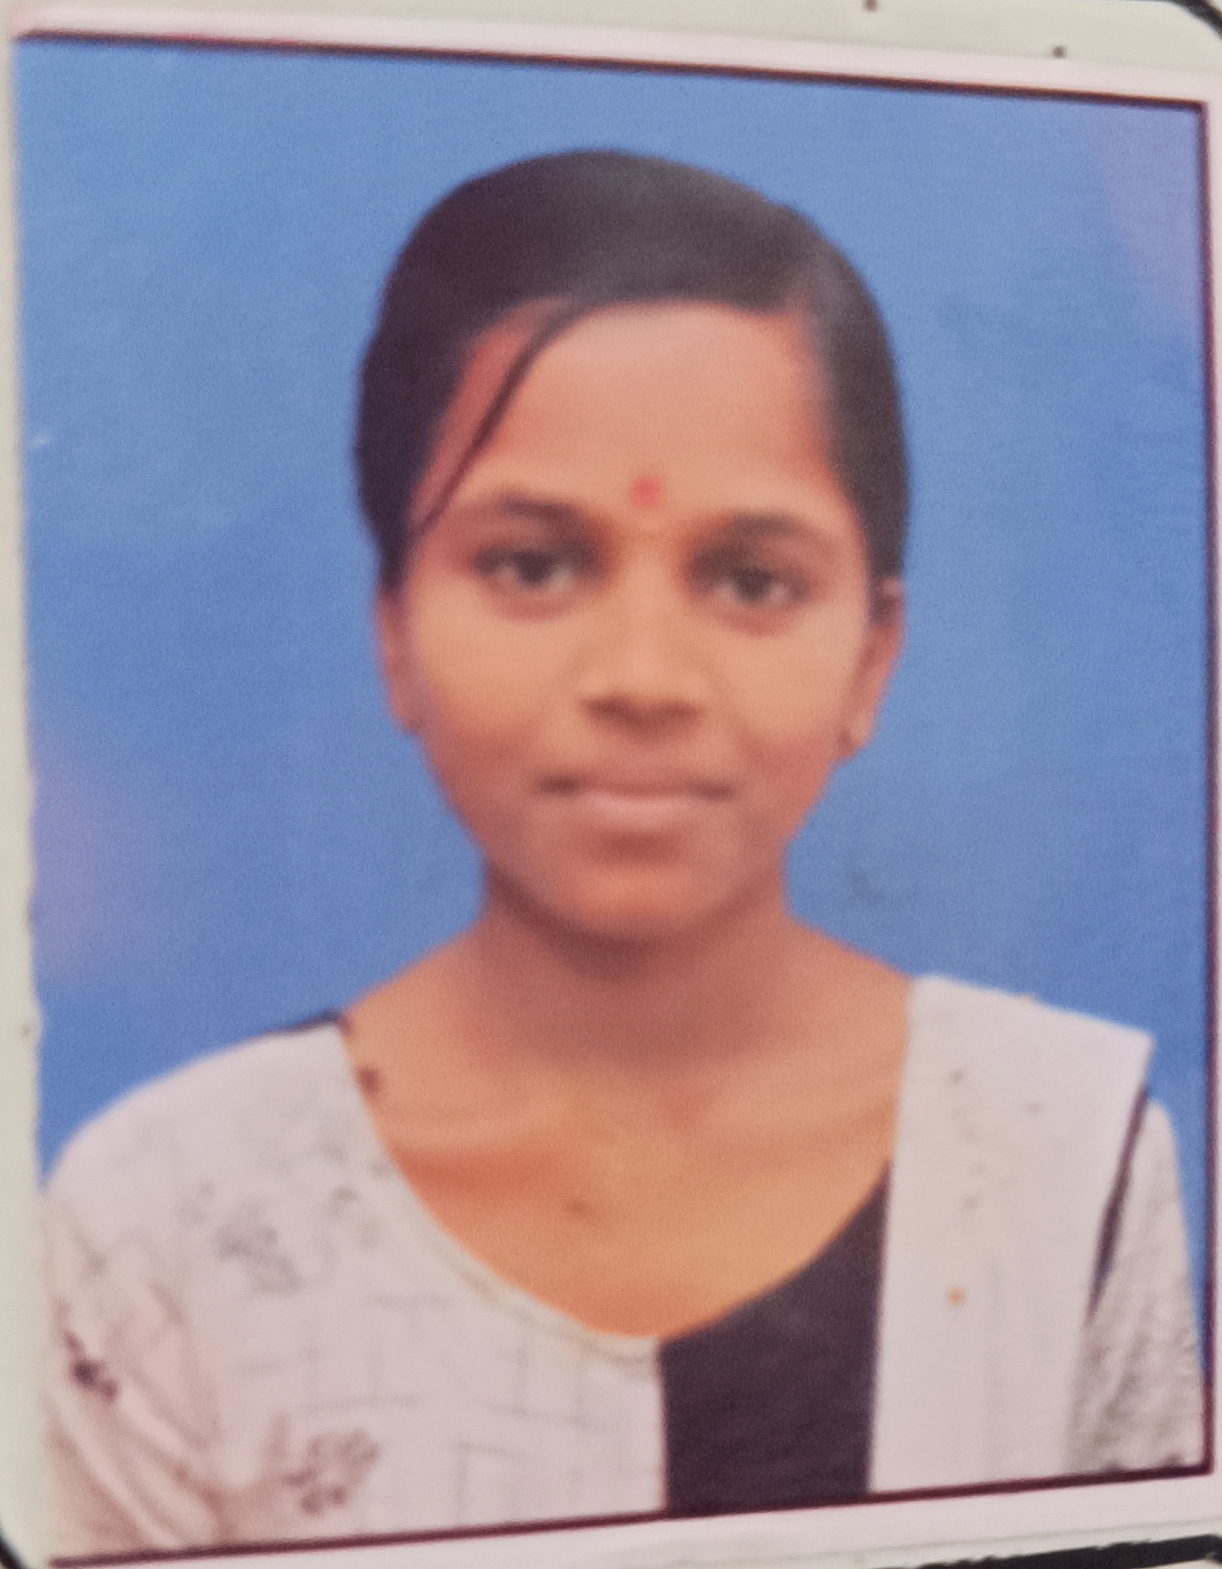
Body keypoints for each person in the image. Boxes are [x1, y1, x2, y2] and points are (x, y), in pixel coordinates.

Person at [44, 150, 1203, 1556]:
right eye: (532, 564)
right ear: (394, 629)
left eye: (750, 578)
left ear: (871, 655)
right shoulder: (167, 1224)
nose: (644, 677)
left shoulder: (1058, 1154)